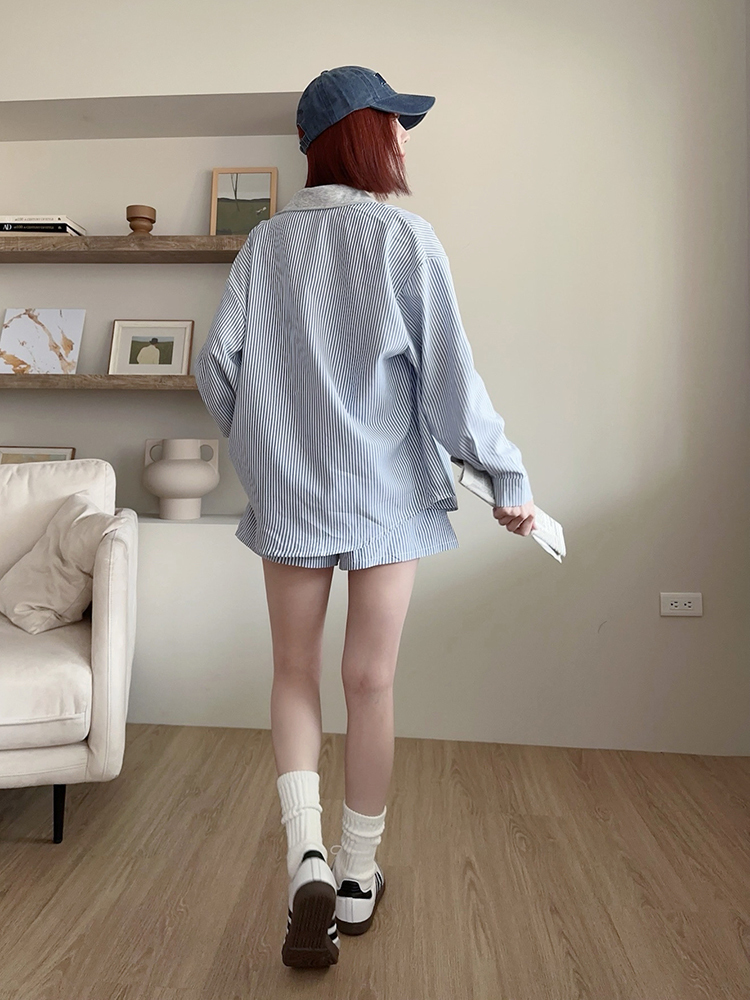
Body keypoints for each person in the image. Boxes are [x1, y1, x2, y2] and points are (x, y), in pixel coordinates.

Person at [195, 65, 536, 969]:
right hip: (385, 495)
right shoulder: (403, 238)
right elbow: (452, 384)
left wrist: (266, 448)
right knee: (370, 682)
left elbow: (216, 368)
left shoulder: (265, 246)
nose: (405, 139)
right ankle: (354, 874)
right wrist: (506, 476)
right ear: (362, 135)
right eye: (395, 122)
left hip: (291, 497)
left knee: (293, 671)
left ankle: (304, 854)